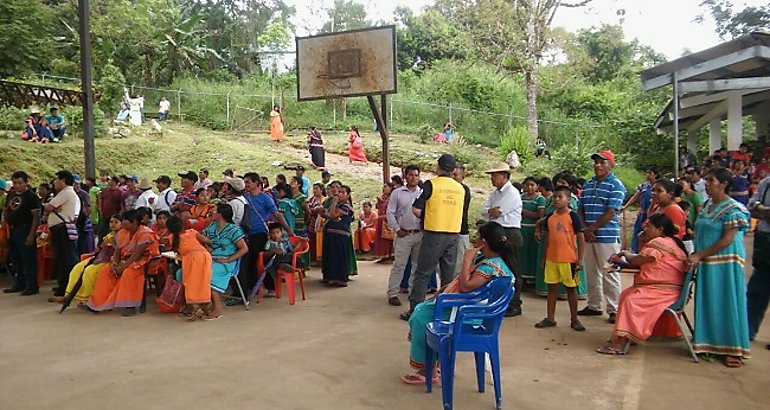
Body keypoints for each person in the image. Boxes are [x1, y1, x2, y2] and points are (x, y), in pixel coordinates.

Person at [401, 221, 514, 385]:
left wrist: (467, 260)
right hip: (474, 311)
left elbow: (466, 286)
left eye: (477, 236)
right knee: (422, 308)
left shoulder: (490, 266)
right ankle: (438, 362)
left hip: (468, 315)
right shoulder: (496, 262)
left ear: (484, 242)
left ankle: (428, 370)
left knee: (420, 316)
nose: (474, 239)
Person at [596, 213, 689, 355]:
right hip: (664, 289)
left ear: (660, 230)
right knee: (627, 295)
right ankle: (626, 336)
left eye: (649, 226)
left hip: (664, 291)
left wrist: (625, 254)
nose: (645, 229)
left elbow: (639, 259)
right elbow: (644, 262)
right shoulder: (670, 242)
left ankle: (620, 344)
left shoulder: (660, 242)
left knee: (631, 300)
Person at [689, 167, 751, 367]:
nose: (706, 184)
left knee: (727, 301)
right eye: (706, 180)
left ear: (723, 184)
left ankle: (732, 348)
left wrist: (699, 254)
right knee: (709, 301)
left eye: (711, 181)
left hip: (725, 263)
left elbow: (727, 239)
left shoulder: (733, 209)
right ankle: (709, 342)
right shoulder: (708, 205)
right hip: (708, 263)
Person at [404, 154, 470, 319]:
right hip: (453, 235)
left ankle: (415, 310)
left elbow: (416, 209)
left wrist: (426, 217)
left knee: (423, 273)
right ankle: (444, 312)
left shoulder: (431, 185)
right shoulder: (460, 188)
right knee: (448, 275)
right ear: (454, 170)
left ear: (438, 167)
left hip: (434, 234)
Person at [578, 150, 626, 324]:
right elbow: (580, 207)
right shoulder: (588, 184)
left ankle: (614, 309)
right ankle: (594, 305)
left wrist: (592, 228)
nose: (598, 165)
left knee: (610, 272)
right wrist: (585, 228)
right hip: (590, 236)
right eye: (596, 162)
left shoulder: (616, 185)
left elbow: (612, 210)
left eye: (602, 162)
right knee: (591, 272)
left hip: (607, 237)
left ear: (611, 165)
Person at [84, 209, 159, 316]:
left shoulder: (145, 233)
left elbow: (137, 254)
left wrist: (122, 267)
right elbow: (118, 251)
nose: (122, 222)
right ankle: (96, 304)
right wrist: (115, 263)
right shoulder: (122, 233)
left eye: (125, 220)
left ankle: (130, 306)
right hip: (126, 259)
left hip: (144, 261)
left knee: (129, 273)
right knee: (106, 271)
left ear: (133, 222)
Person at [535, 186, 586, 331]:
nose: (556, 200)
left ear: (568, 200)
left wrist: (579, 259)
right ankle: (550, 318)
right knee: (552, 289)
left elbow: (581, 238)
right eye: (555, 197)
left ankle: (574, 319)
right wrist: (544, 258)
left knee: (571, 289)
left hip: (568, 259)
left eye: (560, 197)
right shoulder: (550, 217)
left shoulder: (573, 216)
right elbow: (548, 238)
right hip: (552, 259)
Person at [238, 172, 293, 300]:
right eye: (245, 182)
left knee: (262, 259)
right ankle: (252, 287)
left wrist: (288, 230)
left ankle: (270, 286)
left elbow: (278, 215)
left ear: (257, 183)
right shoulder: (244, 197)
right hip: (246, 234)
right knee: (249, 262)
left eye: (248, 182)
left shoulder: (265, 198)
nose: (245, 184)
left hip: (260, 233)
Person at [481, 162, 524, 317]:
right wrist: (489, 211)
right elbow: (484, 211)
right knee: (501, 269)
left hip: (510, 232)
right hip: (497, 230)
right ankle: (505, 301)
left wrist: (490, 212)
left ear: (504, 176)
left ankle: (515, 303)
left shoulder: (511, 193)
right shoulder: (495, 193)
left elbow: (496, 212)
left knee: (513, 269)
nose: (492, 178)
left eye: (495, 175)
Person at [199, 204, 248, 319]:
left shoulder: (234, 229)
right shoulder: (212, 227)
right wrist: (207, 244)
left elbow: (244, 248)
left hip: (227, 261)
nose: (212, 213)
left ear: (220, 214)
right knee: (196, 270)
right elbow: (201, 236)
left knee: (209, 274)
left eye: (214, 211)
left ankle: (217, 309)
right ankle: (205, 304)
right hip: (211, 258)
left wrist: (228, 259)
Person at [64, 214, 123, 303]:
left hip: (110, 260)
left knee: (89, 272)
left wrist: (112, 243)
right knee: (77, 268)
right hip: (99, 257)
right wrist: (99, 247)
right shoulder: (109, 235)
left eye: (116, 222)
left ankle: (88, 299)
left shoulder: (123, 235)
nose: (113, 224)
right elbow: (100, 248)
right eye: (111, 222)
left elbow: (121, 251)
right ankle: (68, 296)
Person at [386, 166, 423, 306]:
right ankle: (392, 293)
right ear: (405, 177)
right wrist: (397, 229)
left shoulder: (423, 193)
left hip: (419, 234)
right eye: (411, 175)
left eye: (416, 175)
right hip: (404, 234)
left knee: (417, 266)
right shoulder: (397, 193)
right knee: (399, 265)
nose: (414, 177)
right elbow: (390, 212)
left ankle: (413, 293)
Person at [167, 216, 214, 321]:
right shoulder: (192, 231)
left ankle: (196, 308)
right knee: (203, 281)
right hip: (205, 256)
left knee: (190, 283)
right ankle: (206, 305)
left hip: (191, 259)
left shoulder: (172, 238)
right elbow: (207, 240)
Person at [2, 171, 41, 295]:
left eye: (20, 183)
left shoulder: (31, 197)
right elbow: (6, 209)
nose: (17, 185)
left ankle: (31, 285)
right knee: (15, 258)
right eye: (15, 183)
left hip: (25, 229)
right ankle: (19, 283)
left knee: (27, 258)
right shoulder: (11, 194)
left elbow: (35, 217)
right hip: (12, 229)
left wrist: (31, 234)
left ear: (26, 182)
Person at [45, 171, 81, 301]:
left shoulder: (66, 192)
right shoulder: (70, 193)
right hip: (64, 229)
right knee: (65, 259)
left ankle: (65, 288)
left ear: (63, 180)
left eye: (56, 180)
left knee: (65, 260)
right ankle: (64, 286)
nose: (54, 183)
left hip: (62, 230)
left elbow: (49, 207)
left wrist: (50, 207)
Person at [748, 175, 770, 344]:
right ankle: (747, 331)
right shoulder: (766, 183)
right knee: (757, 289)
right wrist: (763, 210)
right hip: (765, 241)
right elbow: (752, 205)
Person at [322, 185, 354, 287]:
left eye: (342, 192)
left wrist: (334, 203)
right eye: (339, 192)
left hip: (341, 235)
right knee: (331, 256)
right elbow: (327, 213)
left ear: (348, 195)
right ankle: (331, 277)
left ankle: (341, 278)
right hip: (331, 233)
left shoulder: (346, 207)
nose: (339, 194)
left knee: (339, 256)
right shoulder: (338, 206)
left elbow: (332, 215)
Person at [622, 166, 659, 252]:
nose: (647, 175)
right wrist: (626, 206)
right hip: (642, 214)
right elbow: (636, 196)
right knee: (638, 233)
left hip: (653, 214)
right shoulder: (644, 186)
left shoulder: (659, 186)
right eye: (647, 173)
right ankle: (636, 252)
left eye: (650, 173)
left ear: (655, 174)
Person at [520, 177, 546, 283]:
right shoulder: (521, 197)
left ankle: (533, 279)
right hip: (522, 228)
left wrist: (524, 212)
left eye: (532, 185)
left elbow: (540, 215)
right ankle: (523, 277)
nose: (530, 187)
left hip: (533, 229)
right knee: (522, 254)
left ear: (537, 186)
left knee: (532, 253)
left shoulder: (540, 199)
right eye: (527, 185)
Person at [452, 165, 472, 275]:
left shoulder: (464, 190)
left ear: (462, 176)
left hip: (461, 231)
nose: (453, 177)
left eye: (456, 175)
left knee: (459, 264)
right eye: (452, 174)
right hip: (448, 231)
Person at [73, 175, 95, 256]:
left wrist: (83, 220)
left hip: (83, 224)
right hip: (76, 223)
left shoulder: (83, 194)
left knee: (85, 247)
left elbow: (88, 209)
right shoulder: (71, 193)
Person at [373, 183, 395, 264]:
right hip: (380, 220)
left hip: (387, 220)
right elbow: (378, 207)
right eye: (383, 187)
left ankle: (390, 256)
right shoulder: (383, 197)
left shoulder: (392, 198)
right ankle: (383, 256)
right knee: (380, 239)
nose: (384, 188)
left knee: (388, 239)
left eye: (386, 187)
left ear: (391, 188)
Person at [97, 176, 122, 242]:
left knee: (111, 233)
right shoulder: (105, 190)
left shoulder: (119, 192)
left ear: (114, 182)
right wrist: (100, 210)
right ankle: (100, 246)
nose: (109, 182)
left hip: (113, 216)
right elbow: (101, 200)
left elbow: (121, 204)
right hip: (105, 215)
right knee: (101, 232)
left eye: (110, 180)